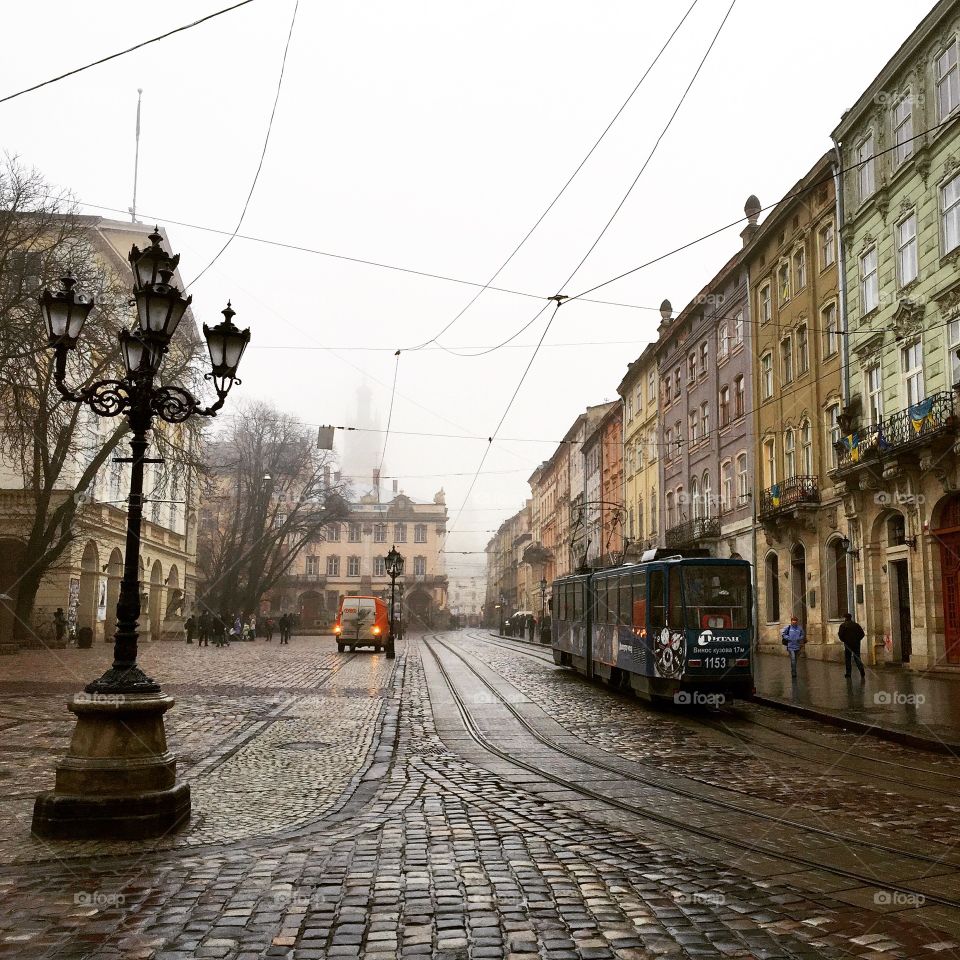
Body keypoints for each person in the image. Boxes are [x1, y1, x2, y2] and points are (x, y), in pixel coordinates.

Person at [838, 612, 866, 679]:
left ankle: (848, 673)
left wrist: (844, 640)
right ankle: (861, 670)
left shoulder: (843, 626)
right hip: (856, 644)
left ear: (845, 618)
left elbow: (840, 635)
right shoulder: (856, 625)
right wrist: (857, 640)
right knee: (857, 658)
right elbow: (862, 634)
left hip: (847, 645)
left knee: (848, 659)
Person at [781, 615, 805, 680]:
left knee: (795, 660)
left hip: (797, 647)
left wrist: (799, 638)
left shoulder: (799, 628)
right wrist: (788, 638)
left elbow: (803, 635)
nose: (794, 622)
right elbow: (783, 634)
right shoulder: (788, 628)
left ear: (797, 622)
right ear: (791, 622)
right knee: (793, 659)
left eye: (795, 621)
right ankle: (794, 673)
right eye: (793, 621)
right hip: (790, 647)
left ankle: (793, 669)